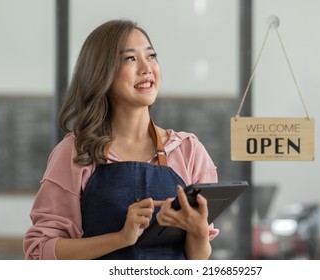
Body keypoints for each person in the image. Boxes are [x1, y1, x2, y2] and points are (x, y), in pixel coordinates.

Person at [23, 19, 219, 260]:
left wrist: (199, 233)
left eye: (151, 56)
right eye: (130, 58)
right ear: (101, 72)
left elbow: (198, 262)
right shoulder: (76, 152)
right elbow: (39, 253)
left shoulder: (189, 151)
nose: (147, 68)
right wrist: (121, 238)